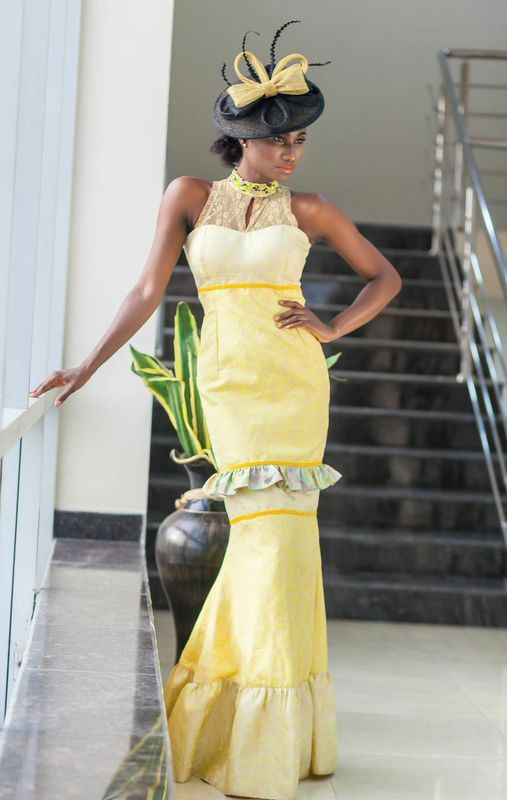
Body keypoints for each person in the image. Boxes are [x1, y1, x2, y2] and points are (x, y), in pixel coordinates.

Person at [29, 18, 402, 800]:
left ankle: (262, 732)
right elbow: (146, 290)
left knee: (280, 548)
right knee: (263, 546)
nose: (291, 152)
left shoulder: (311, 210)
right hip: (229, 387)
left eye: (299, 140)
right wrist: (86, 366)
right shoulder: (189, 196)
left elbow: (384, 278)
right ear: (240, 139)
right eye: (278, 140)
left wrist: (333, 326)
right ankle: (253, 723)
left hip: (292, 387)